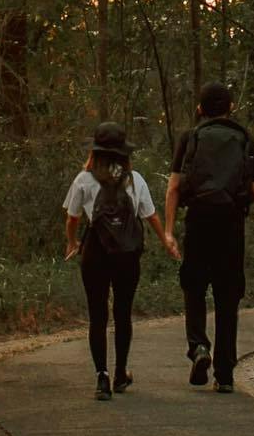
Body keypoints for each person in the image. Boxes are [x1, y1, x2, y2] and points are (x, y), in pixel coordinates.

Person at [163, 81, 254, 395]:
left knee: (194, 286)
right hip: (231, 224)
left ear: (200, 109)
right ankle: (225, 373)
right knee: (228, 295)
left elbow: (174, 187)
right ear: (231, 108)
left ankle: (199, 347)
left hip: (199, 219)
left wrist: (169, 230)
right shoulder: (244, 138)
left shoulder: (190, 138)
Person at [64, 121, 178, 400]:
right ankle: (121, 373)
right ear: (125, 153)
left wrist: (72, 242)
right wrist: (166, 241)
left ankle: (101, 377)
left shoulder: (84, 179)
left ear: (95, 151)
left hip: (95, 253)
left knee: (98, 315)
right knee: (123, 313)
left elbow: (72, 218)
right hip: (127, 255)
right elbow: (150, 216)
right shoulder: (135, 179)